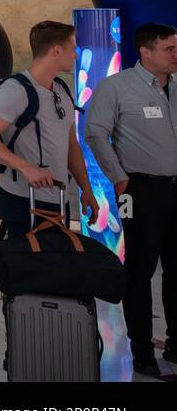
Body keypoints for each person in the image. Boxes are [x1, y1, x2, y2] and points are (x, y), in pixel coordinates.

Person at [84, 21, 177, 378]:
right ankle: (141, 352)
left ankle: (175, 343)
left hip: (174, 190)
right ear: (146, 51)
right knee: (139, 269)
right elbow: (95, 133)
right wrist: (119, 178)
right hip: (138, 190)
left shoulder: (174, 88)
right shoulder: (117, 87)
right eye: (168, 49)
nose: (174, 55)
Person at [0, 21, 99, 241]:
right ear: (56, 50)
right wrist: (26, 168)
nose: (76, 55)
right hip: (23, 198)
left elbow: (70, 145)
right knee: (30, 268)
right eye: (73, 48)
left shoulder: (61, 89)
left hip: (58, 199)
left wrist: (86, 188)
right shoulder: (14, 90)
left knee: (54, 266)